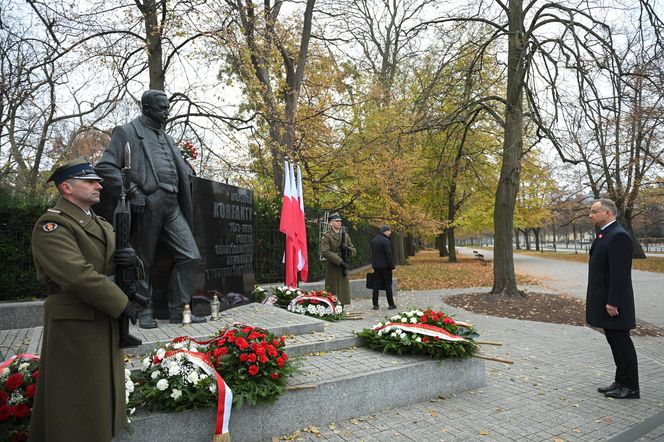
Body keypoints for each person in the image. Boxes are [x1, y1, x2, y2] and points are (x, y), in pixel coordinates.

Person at [29, 158, 138, 440]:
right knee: (75, 404)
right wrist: (122, 302)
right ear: (66, 187)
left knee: (100, 399)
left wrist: (133, 262)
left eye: (97, 180)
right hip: (76, 323)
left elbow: (114, 264)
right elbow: (77, 274)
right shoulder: (52, 225)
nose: (98, 185)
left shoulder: (100, 222)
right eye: (89, 181)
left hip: (102, 317)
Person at [95, 89, 205, 328]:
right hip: (148, 202)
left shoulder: (166, 137)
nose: (167, 112)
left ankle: (179, 310)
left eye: (167, 107)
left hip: (172, 203)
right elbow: (105, 167)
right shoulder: (127, 132)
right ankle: (143, 310)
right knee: (143, 259)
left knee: (190, 256)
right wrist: (132, 190)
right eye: (162, 108)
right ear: (146, 108)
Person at [587, 198, 639, 399]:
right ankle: (620, 382)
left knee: (622, 343)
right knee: (615, 343)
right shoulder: (605, 234)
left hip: (615, 304)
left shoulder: (618, 236)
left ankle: (631, 387)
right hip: (607, 301)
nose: (590, 215)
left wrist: (613, 302)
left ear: (607, 213)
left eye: (594, 211)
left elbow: (620, 274)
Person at [320, 213, 356, 306]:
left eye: (340, 221)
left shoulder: (345, 236)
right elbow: (325, 252)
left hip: (343, 266)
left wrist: (347, 249)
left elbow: (354, 250)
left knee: (343, 290)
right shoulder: (326, 236)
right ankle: (332, 307)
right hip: (333, 266)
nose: (339, 223)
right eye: (336, 221)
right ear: (331, 223)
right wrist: (340, 261)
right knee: (333, 289)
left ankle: (342, 306)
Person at [371, 225, 396, 310]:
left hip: (376, 266)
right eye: (389, 231)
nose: (390, 232)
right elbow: (388, 254)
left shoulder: (374, 240)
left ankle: (375, 305)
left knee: (376, 285)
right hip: (385, 267)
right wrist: (392, 266)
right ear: (385, 231)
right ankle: (391, 304)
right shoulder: (386, 241)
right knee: (388, 285)